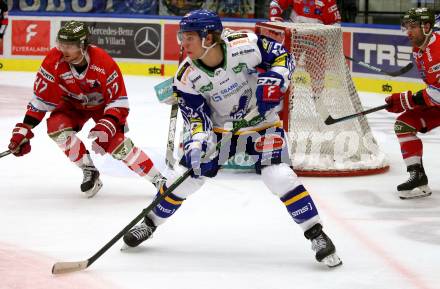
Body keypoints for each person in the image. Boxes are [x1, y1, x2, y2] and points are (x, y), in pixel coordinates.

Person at [123, 9, 342, 268]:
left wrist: (276, 77)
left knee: (279, 176)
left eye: (189, 37)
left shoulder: (245, 44)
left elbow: (283, 56)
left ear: (209, 37)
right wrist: (197, 142)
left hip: (263, 124)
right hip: (220, 131)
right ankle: (150, 222)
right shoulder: (186, 76)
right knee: (182, 180)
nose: (183, 43)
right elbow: (196, 117)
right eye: (182, 36)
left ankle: (316, 234)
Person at [8, 21, 164, 198]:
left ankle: (158, 179)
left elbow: (118, 101)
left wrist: (107, 125)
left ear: (83, 46)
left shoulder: (103, 62)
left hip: (103, 109)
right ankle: (89, 169)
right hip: (72, 106)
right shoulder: (54, 60)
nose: (63, 50)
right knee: (56, 128)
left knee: (117, 145)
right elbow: (41, 99)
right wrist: (24, 128)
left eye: (69, 46)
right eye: (61, 44)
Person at [385, 7, 439, 200]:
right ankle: (418, 176)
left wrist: (406, 100)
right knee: (403, 125)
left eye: (413, 26)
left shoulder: (437, 51)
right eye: (407, 26)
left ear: (426, 27)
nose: (408, 31)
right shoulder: (421, 43)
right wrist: (409, 101)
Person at [268, 0, 341, 25]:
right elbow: (275, 3)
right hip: (293, 39)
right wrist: (275, 19)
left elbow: (335, 25)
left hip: (316, 44)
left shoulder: (328, 1)